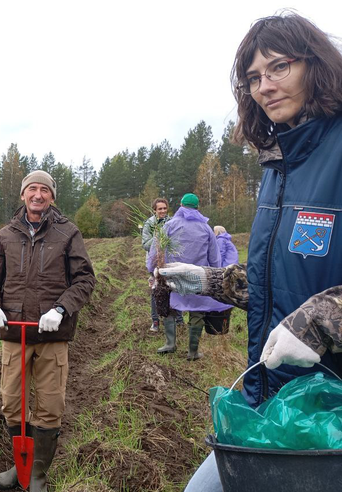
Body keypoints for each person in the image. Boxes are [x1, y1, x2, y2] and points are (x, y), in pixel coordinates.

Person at [154, 13, 342, 491]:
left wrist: (322, 318)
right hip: (275, 399)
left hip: (330, 414)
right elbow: (284, 277)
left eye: (279, 67)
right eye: (254, 77)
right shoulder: (275, 167)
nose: (265, 86)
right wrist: (213, 282)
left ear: (315, 66)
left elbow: (315, 299)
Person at [0, 170, 95, 492]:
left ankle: (37, 476)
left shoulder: (68, 233)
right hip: (15, 334)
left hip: (52, 337)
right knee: (11, 403)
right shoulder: (6, 235)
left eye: (44, 190)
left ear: (52, 197)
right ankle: (21, 467)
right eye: (32, 189)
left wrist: (61, 309)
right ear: (23, 195)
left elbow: (85, 280)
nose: (38, 195)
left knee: (49, 406)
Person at [147, 193, 231, 360]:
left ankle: (170, 344)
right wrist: (215, 275)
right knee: (198, 311)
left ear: (181, 205)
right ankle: (193, 352)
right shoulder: (206, 229)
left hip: (172, 275)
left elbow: (156, 251)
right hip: (198, 277)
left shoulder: (169, 226)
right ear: (197, 207)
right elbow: (215, 258)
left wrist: (152, 270)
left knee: (169, 307)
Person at [141, 197, 185, 333]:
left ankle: (179, 320)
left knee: (175, 288)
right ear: (154, 210)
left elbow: (178, 239)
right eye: (160, 209)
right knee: (156, 291)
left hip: (170, 261)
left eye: (165, 208)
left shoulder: (172, 222)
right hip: (155, 262)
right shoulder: (149, 224)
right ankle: (155, 322)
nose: (163, 211)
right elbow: (145, 244)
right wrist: (158, 239)